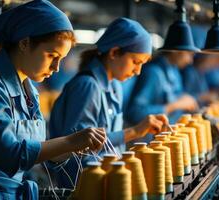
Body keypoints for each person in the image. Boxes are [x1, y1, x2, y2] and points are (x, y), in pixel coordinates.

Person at [0, 1, 106, 199]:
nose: (56, 68)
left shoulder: (29, 91)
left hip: (9, 192)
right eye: (51, 55)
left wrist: (75, 147)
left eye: (61, 59)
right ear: (24, 43)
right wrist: (71, 140)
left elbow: (36, 149)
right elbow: (12, 155)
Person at [49, 17, 169, 188]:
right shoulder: (87, 86)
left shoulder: (115, 86)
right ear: (114, 53)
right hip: (85, 187)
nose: (138, 71)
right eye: (136, 62)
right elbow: (80, 148)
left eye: (142, 64)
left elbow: (109, 146)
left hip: (108, 183)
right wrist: (135, 131)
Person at [126, 51, 198, 130]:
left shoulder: (174, 70)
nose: (190, 61)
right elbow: (135, 113)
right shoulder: (153, 72)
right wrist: (174, 106)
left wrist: (183, 98)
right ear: (176, 52)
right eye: (189, 54)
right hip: (151, 138)